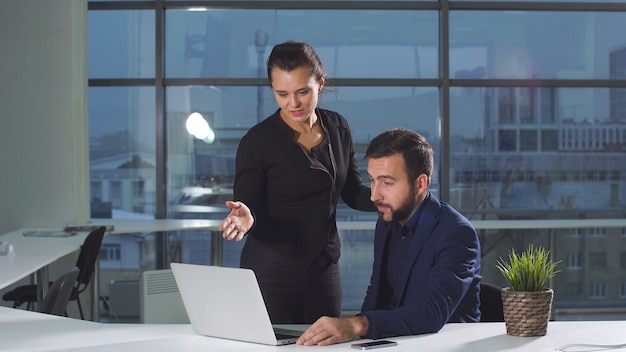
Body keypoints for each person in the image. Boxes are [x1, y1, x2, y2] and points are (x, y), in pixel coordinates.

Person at [219, 40, 376, 324]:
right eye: (282, 94)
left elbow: (353, 193)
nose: (293, 103)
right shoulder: (257, 143)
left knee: (325, 344)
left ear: (320, 84)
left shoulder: (338, 128)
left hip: (324, 268)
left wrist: (391, 195)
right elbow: (249, 207)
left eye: (303, 91)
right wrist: (246, 217)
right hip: (271, 270)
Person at [296, 128, 482, 346]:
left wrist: (356, 325)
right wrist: (353, 340)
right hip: (397, 342)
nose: (374, 195)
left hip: (445, 346)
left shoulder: (456, 233)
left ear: (420, 183)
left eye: (387, 182)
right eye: (372, 180)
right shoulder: (387, 221)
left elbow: (432, 312)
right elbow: (376, 292)